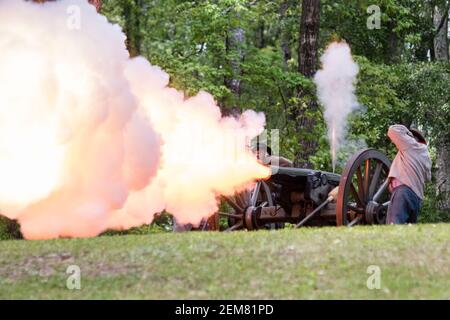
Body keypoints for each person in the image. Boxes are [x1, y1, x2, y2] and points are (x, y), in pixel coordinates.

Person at [386, 124, 432, 224]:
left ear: (413, 138)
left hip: (403, 192)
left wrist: (407, 132)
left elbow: (392, 130)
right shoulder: (426, 156)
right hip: (416, 198)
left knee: (395, 227)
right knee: (407, 231)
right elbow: (428, 178)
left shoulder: (411, 145)